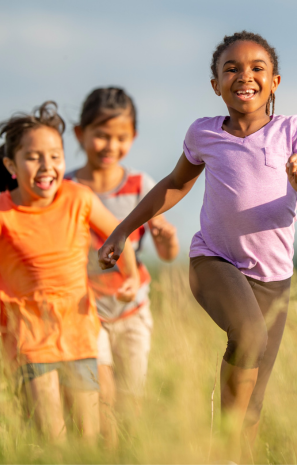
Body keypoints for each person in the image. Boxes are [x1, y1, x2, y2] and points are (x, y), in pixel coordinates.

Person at [98, 31, 297, 462]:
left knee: (253, 405)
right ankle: (221, 447)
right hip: (214, 259)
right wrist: (123, 230)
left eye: (256, 68)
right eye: (231, 68)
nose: (244, 76)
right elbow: (174, 184)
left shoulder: (292, 130)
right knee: (247, 334)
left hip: (273, 278)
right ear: (215, 85)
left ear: (275, 82)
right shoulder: (204, 134)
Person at [0, 101, 140, 443]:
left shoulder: (80, 197)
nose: (47, 166)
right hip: (28, 341)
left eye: (55, 155)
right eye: (33, 157)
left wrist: (130, 275)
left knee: (89, 439)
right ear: (11, 164)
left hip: (80, 337)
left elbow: (120, 234)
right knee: (52, 439)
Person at [65, 87, 179, 445]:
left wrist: (165, 237)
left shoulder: (141, 186)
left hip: (133, 309)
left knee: (132, 398)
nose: (110, 146)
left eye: (120, 137)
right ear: (80, 134)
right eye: (101, 135)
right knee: (102, 396)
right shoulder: (66, 187)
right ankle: (104, 451)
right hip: (86, 310)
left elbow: (166, 255)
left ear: (133, 137)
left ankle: (125, 451)